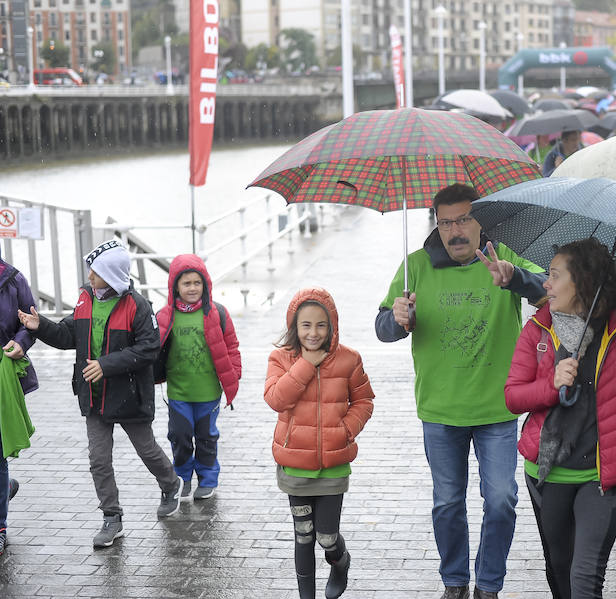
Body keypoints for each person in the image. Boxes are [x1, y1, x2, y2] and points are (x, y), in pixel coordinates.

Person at [375, 183, 546, 599]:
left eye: (464, 219)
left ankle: (488, 584)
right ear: (436, 223)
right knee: (447, 504)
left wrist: (516, 278)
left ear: (479, 221)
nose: (455, 230)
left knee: (502, 499)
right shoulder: (415, 265)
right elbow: (382, 329)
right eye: (446, 221)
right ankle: (454, 582)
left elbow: (550, 292)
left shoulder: (503, 255)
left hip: (497, 408)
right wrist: (398, 319)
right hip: (440, 408)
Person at [505, 238, 616, 599]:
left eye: (555, 275)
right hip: (547, 475)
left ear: (583, 282)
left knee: (585, 577)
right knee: (559, 571)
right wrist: (551, 383)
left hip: (603, 477)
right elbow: (513, 398)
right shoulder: (539, 331)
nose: (546, 283)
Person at [18, 239, 184, 548]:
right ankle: (112, 517)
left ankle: (171, 483)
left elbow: (148, 348)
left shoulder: (137, 304)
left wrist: (106, 365)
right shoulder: (85, 298)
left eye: (95, 272)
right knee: (98, 459)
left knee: (146, 450)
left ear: (111, 275)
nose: (90, 277)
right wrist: (39, 326)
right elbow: (69, 335)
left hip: (130, 394)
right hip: (93, 396)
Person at [266, 287, 374, 599]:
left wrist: (345, 430)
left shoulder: (349, 360)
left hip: (332, 468)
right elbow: (276, 399)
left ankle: (340, 562)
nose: (313, 333)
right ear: (294, 327)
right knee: (303, 535)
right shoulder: (281, 359)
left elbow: (364, 401)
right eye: (306, 325)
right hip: (295, 468)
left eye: (321, 325)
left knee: (326, 537)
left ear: (332, 325)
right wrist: (306, 364)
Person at [155, 254, 242, 501]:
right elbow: (152, 348)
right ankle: (182, 477)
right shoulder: (165, 316)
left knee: (206, 438)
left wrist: (233, 375)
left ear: (205, 285)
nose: (192, 288)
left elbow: (232, 346)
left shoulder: (217, 313)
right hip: (178, 392)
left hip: (208, 392)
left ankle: (207, 477)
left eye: (197, 283)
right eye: (186, 283)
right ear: (175, 287)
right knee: (180, 437)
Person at [0, 253, 38, 555]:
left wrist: (21, 342)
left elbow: (30, 321)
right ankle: (5, 489)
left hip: (3, 375)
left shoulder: (12, 278)